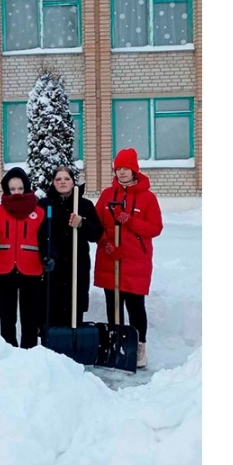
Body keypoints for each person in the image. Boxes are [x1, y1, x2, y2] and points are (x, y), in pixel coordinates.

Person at [93, 148, 163, 368]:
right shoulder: (107, 195)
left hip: (135, 261)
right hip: (110, 259)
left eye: (126, 168)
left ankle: (139, 346)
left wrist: (130, 221)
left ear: (134, 170)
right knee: (113, 305)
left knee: (135, 306)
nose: (122, 172)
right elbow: (96, 224)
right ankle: (116, 344)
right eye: (118, 168)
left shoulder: (147, 198)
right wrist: (105, 244)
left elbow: (155, 228)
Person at [0, 167, 53, 348]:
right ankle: (8, 350)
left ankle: (29, 350)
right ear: (6, 190)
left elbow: (46, 241)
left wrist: (48, 258)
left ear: (26, 188)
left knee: (30, 316)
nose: (17, 192)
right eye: (13, 189)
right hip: (4, 269)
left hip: (31, 270)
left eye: (20, 188)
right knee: (7, 316)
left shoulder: (39, 213)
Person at [37, 165, 103, 329]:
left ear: (73, 182)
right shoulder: (44, 205)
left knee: (74, 308)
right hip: (52, 266)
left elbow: (96, 234)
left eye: (67, 178)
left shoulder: (84, 205)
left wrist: (82, 223)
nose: (63, 182)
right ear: (53, 182)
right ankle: (51, 339)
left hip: (76, 266)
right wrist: (45, 256)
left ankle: (73, 337)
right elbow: (38, 235)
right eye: (58, 179)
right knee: (50, 308)